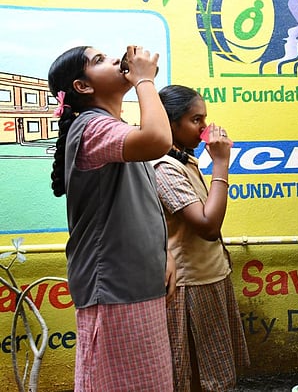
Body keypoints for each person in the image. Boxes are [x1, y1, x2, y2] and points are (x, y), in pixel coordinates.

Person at [49, 45, 175, 391]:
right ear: (83, 86)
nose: (115, 60)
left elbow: (141, 206)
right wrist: (144, 80)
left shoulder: (113, 129)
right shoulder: (92, 127)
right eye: (99, 60)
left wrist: (163, 256)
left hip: (135, 284)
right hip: (113, 288)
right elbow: (159, 139)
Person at [153, 84, 250, 391]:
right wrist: (221, 164)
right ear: (171, 124)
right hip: (189, 284)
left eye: (204, 119)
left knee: (211, 370)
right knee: (193, 373)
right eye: (196, 120)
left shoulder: (184, 161)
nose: (204, 127)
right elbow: (208, 227)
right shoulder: (163, 168)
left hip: (208, 277)